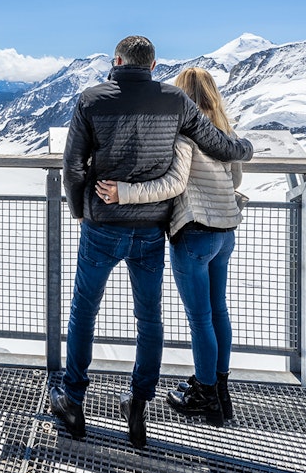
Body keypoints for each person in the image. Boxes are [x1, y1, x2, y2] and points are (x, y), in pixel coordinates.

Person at [52, 37, 252, 449]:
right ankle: (138, 406)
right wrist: (245, 148)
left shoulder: (90, 100)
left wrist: (80, 209)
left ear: (118, 61)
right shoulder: (175, 100)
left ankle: (73, 402)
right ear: (154, 64)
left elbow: (72, 166)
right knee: (149, 319)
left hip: (102, 225)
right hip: (150, 230)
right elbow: (218, 144)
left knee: (83, 312)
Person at [98, 67, 244, 427]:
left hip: (194, 231)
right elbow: (236, 176)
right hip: (225, 231)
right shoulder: (225, 131)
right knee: (217, 310)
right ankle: (219, 388)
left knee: (200, 319)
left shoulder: (183, 134)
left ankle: (205, 393)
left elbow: (174, 184)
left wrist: (125, 193)